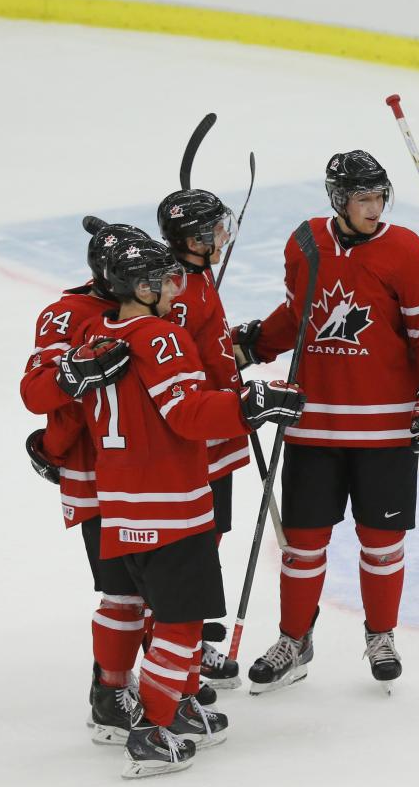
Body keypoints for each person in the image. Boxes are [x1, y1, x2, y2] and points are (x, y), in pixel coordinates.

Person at [70, 237, 305, 777]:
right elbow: (190, 413)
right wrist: (254, 403)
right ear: (140, 288)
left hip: (121, 504)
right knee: (181, 621)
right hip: (170, 504)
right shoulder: (160, 337)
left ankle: (168, 711)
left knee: (160, 612)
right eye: (163, 279)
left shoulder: (98, 332)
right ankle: (152, 731)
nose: (175, 287)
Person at [232, 149, 419, 695]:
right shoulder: (306, 243)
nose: (375, 208)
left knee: (381, 542)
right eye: (363, 199)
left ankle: (380, 636)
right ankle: (294, 639)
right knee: (303, 544)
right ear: (338, 200)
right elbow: (299, 314)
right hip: (312, 423)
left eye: (381, 197)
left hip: (385, 429)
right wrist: (252, 345)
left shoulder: (405, 250)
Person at [20, 221, 154, 746]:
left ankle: (168, 679)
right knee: (122, 593)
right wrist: (74, 372)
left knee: (162, 590)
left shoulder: (149, 298)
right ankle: (110, 691)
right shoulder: (65, 315)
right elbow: (36, 392)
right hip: (98, 479)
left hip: (156, 472)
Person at [157, 188, 248, 690]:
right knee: (188, 549)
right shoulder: (176, 292)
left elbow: (209, 345)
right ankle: (174, 650)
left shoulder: (196, 275)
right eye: (213, 229)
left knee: (210, 537)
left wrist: (238, 357)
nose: (222, 236)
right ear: (191, 238)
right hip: (195, 433)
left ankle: (188, 640)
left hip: (220, 426)